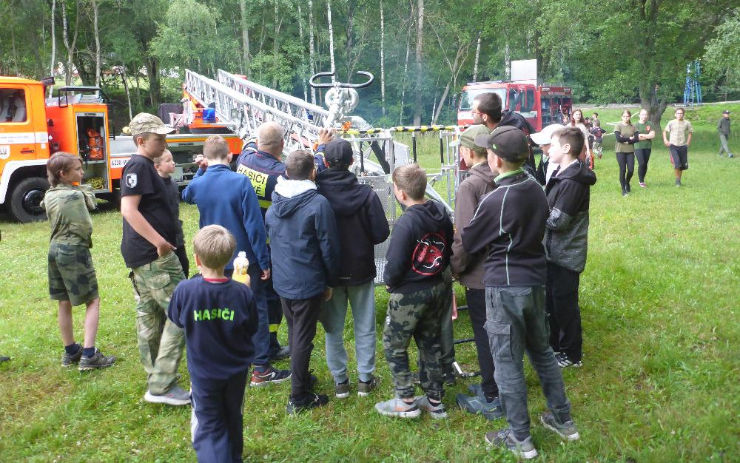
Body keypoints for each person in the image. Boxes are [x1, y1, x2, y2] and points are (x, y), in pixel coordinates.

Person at [462, 126, 579, 460]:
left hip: (505, 289)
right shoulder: (535, 187)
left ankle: (520, 438)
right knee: (542, 352)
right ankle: (563, 420)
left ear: (495, 159)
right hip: (535, 283)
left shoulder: (496, 199)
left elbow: (470, 241)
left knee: (507, 364)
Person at [182, 135, 290, 387]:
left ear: (206, 158)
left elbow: (186, 194)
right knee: (257, 310)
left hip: (213, 258)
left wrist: (200, 171)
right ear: (230, 156)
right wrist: (263, 261)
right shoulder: (241, 182)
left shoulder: (199, 183)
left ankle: (227, 362)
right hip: (244, 259)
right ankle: (261, 368)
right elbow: (254, 226)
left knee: (220, 310)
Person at [167, 225, 258, 463]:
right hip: (236, 371)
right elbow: (252, 328)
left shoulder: (185, 290)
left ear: (197, 259)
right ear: (229, 259)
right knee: (232, 415)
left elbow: (176, 319)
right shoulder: (242, 292)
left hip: (204, 374)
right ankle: (233, 455)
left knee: (208, 426)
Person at [120, 113, 189, 405]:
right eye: (158, 138)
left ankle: (156, 382)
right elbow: (129, 210)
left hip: (142, 257)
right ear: (141, 141)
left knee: (149, 317)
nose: (164, 142)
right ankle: (162, 383)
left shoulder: (146, 166)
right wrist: (160, 242)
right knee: (183, 312)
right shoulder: (138, 165)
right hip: (154, 256)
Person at [375, 164, 454, 420]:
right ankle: (434, 400)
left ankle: (406, 399)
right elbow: (448, 247)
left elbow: (395, 261)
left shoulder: (406, 223)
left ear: (400, 193)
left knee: (394, 344)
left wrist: (390, 282)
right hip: (436, 286)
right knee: (430, 342)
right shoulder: (440, 212)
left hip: (410, 292)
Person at [265, 150, 340, 414]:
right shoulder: (318, 204)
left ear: (286, 173)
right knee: (302, 338)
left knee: (296, 331)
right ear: (313, 172)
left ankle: (302, 378)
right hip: (307, 284)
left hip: (284, 281)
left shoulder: (275, 203)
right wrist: (330, 281)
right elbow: (329, 247)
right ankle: (298, 397)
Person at [315, 138, 390, 398]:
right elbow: (381, 233)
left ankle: (340, 383)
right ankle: (365, 381)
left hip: (330, 273)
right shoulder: (366, 194)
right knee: (365, 326)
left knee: (332, 328)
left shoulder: (315, 193)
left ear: (324, 161)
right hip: (360, 269)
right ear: (352, 162)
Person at [42, 152, 116, 371]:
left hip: (54, 249)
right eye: (77, 169)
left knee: (63, 301)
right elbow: (86, 226)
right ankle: (89, 355)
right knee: (92, 300)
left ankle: (70, 350)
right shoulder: (74, 196)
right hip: (73, 250)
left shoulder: (49, 194)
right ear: (63, 174)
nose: (82, 172)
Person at [236, 122, 301, 362]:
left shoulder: (243, 159)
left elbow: (250, 145)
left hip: (245, 240)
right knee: (270, 299)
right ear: (282, 145)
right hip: (270, 243)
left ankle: (256, 341)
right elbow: (305, 173)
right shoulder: (279, 174)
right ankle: (269, 345)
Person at [449, 125, 503, 420]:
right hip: (507, 271)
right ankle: (496, 386)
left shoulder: (470, 186)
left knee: (486, 336)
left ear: (468, 152)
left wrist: (456, 269)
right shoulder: (508, 177)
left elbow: (465, 238)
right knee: (501, 333)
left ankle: (492, 394)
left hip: (481, 275)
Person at [543, 127, 596, 369]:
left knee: (565, 306)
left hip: (566, 256)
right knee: (553, 303)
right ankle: (556, 347)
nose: (548, 149)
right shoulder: (563, 173)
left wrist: (533, 213)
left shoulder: (573, 181)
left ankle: (572, 354)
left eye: (552, 146)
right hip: (553, 253)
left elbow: (559, 221)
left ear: (566, 149)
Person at [154, 149, 189, 276]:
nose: (173, 163)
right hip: (164, 239)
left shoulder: (173, 184)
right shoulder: (154, 186)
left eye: (172, 160)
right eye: (168, 161)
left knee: (184, 267)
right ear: (157, 166)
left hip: (178, 238)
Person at [663, 108, 693, 187]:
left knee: (682, 165)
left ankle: (679, 180)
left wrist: (688, 143)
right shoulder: (671, 122)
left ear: (683, 114)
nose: (679, 115)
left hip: (683, 146)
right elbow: (664, 131)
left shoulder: (687, 123)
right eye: (678, 113)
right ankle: (677, 180)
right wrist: (666, 140)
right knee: (677, 163)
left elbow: (690, 132)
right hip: (673, 145)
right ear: (675, 114)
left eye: (681, 113)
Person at [614, 110, 639, 196]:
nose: (626, 118)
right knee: (623, 169)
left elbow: (637, 139)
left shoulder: (633, 126)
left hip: (630, 151)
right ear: (622, 117)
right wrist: (629, 139)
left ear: (630, 117)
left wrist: (626, 139)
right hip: (620, 151)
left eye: (627, 116)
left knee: (631, 170)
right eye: (624, 116)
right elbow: (618, 139)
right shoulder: (618, 126)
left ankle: (627, 182)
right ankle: (623, 189)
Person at [634, 109, 656, 188]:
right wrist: (647, 136)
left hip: (647, 146)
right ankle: (641, 181)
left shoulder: (650, 124)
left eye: (646, 114)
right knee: (642, 163)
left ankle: (642, 179)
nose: (644, 116)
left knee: (645, 164)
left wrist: (642, 136)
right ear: (639, 115)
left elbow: (652, 135)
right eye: (642, 114)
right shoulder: (635, 125)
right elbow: (636, 137)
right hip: (638, 147)